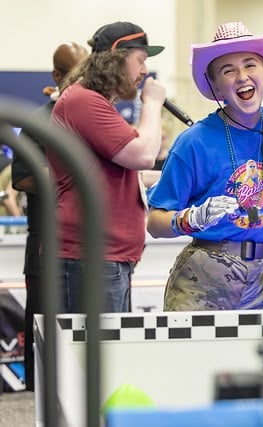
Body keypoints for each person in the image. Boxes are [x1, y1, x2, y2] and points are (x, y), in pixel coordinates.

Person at [146, 22, 263, 311]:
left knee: (259, 357)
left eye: (250, 65)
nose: (242, 77)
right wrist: (191, 218)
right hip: (202, 280)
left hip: (261, 280)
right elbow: (155, 221)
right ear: (215, 86)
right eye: (228, 71)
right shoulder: (193, 142)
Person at [48, 22, 166, 313]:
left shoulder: (90, 101)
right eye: (140, 60)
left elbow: (125, 173)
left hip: (103, 257)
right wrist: (152, 104)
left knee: (108, 353)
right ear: (116, 58)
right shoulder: (83, 101)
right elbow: (142, 155)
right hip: (92, 258)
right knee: (96, 355)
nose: (144, 71)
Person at [11, 41, 88, 390]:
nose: (83, 79)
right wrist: (74, 176)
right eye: (74, 73)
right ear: (56, 76)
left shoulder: (92, 118)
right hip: (47, 246)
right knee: (45, 333)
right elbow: (23, 177)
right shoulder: (39, 122)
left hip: (89, 245)